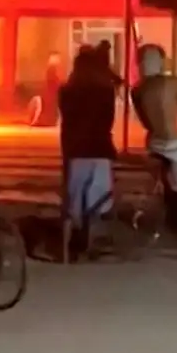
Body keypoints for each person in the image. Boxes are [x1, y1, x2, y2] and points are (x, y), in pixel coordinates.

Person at [131, 43, 177, 258]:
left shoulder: (138, 89)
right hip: (174, 144)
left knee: (165, 184)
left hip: (154, 144)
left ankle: (166, 224)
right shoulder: (173, 83)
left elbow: (145, 121)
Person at [58, 50, 119, 259]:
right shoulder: (106, 91)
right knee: (97, 198)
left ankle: (68, 248)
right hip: (99, 149)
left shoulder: (66, 91)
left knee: (74, 198)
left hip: (76, 150)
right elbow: (108, 120)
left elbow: (67, 123)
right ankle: (90, 242)